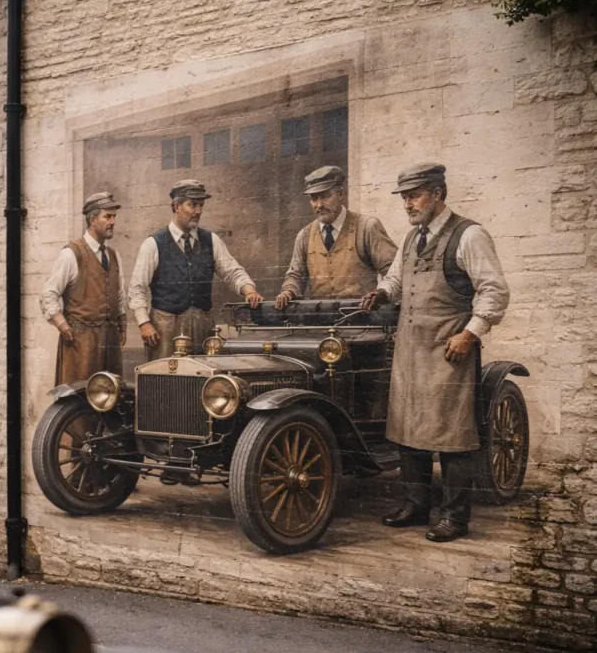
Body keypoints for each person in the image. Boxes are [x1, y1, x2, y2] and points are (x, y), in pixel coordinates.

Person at [361, 162, 510, 543]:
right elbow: (396, 278)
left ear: (439, 194)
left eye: (414, 196)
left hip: (449, 352)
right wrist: (382, 292)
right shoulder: (413, 239)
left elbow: (494, 291)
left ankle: (455, 518)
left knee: (451, 435)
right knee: (409, 428)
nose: (407, 205)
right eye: (405, 198)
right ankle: (415, 506)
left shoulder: (469, 235)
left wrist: (470, 333)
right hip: (410, 351)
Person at [128, 179, 263, 358]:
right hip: (165, 330)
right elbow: (136, 288)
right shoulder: (153, 244)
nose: (198, 211)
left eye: (201, 205)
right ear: (176, 206)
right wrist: (144, 323)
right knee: (164, 381)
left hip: (201, 327)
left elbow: (232, 271)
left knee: (203, 379)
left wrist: (249, 291)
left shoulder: (211, 240)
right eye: (192, 205)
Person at [275, 165, 397, 309]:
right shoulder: (305, 235)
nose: (319, 204)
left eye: (326, 196)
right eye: (314, 198)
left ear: (340, 194)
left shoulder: (367, 227)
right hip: (320, 321)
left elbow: (394, 272)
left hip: (362, 320)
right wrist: (288, 291)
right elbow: (296, 275)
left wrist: (380, 294)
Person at [40, 192, 126, 385]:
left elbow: (119, 295)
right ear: (93, 219)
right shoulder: (72, 254)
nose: (112, 222)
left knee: (111, 399)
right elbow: (48, 294)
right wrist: (63, 327)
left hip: (109, 341)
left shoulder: (113, 256)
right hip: (81, 344)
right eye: (108, 217)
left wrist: (122, 323)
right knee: (78, 400)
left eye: (114, 217)